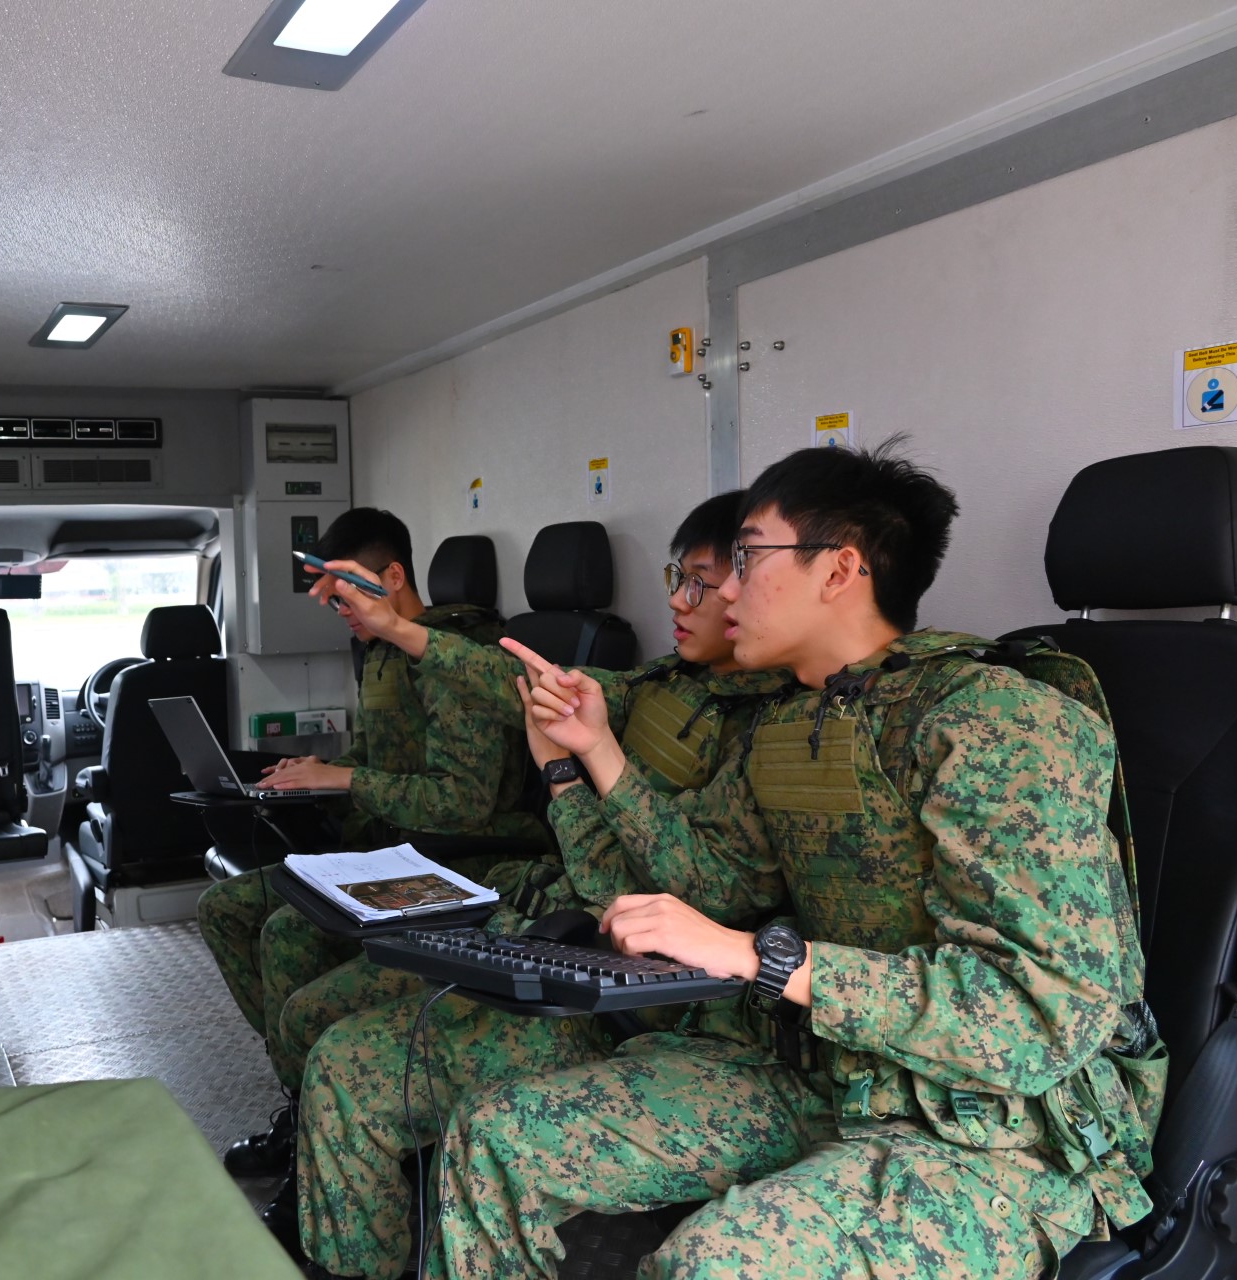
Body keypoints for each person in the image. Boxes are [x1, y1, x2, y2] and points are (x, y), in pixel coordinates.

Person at [433, 442, 1161, 1280]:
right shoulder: (790, 726)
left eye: (746, 559)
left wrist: (767, 959)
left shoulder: (995, 721)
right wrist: (589, 754)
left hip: (993, 1126)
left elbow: (1038, 1013)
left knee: (713, 1267)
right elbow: (700, 887)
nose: (723, 590)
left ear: (840, 568)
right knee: (493, 1138)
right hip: (821, 1069)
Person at [289, 492, 787, 1278]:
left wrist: (576, 770)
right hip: (575, 940)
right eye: (680, 579)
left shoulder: (784, 730)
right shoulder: (663, 685)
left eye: (705, 581)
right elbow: (521, 688)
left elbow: (701, 892)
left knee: (422, 1100)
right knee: (340, 1055)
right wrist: (404, 632)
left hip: (658, 992)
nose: (682, 600)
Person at [195, 507, 548, 1188]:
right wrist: (316, 773)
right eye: (333, 600)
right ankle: (305, 1103)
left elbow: (463, 805)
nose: (341, 613)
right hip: (389, 851)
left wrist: (347, 780)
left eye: (347, 596)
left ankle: (318, 1140)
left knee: (287, 935)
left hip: (462, 859)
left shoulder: (454, 658)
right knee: (227, 908)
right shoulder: (384, 655)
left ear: (392, 577)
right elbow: (378, 758)